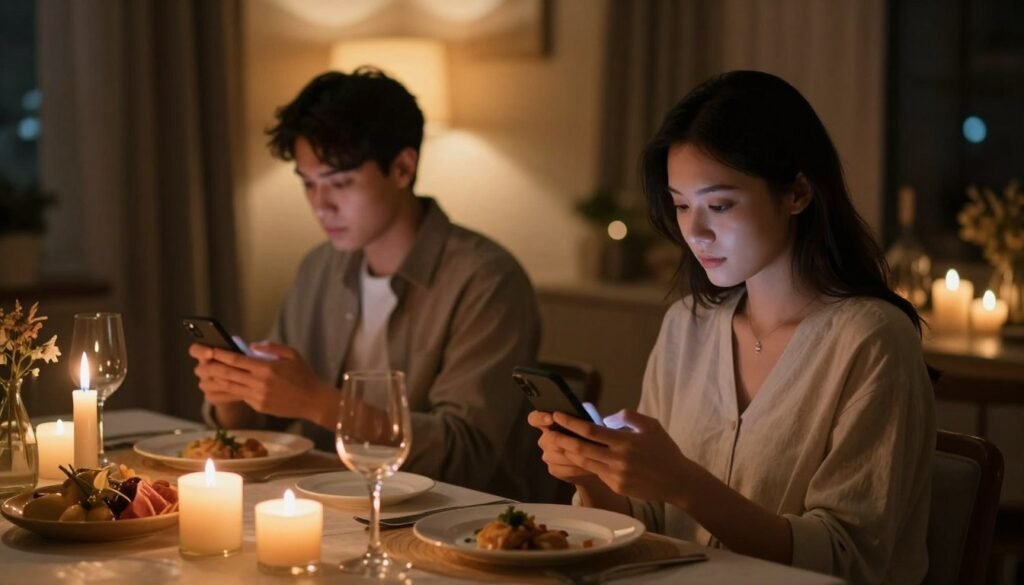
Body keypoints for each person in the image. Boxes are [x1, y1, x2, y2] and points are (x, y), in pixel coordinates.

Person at [528, 70, 935, 583]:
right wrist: (595, 473)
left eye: (719, 205)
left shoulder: (871, 341)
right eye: (680, 206)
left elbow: (848, 558)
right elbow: (651, 524)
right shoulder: (687, 327)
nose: (695, 232)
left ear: (797, 193)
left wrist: (684, 484)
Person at [190, 68, 558, 503]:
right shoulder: (319, 268)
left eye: (340, 182)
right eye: (308, 184)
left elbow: (466, 455)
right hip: (330, 506)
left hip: (453, 520)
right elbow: (267, 422)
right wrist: (235, 398)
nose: (320, 205)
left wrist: (319, 403)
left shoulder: (487, 280)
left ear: (402, 168)